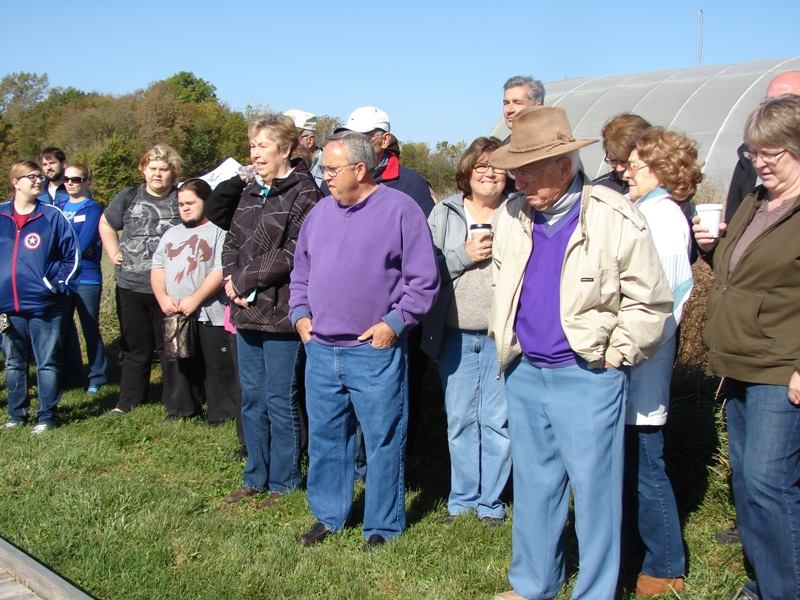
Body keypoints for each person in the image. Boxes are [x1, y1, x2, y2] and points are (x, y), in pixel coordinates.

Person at [488, 106, 673, 600]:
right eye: (515, 171)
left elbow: (650, 302)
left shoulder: (615, 216)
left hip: (588, 375)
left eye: (529, 170)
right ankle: (533, 584)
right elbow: (504, 283)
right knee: (534, 487)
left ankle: (594, 592)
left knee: (595, 494)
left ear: (564, 165)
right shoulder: (512, 215)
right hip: (526, 371)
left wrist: (615, 356)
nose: (518, 181)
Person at [289, 131, 439, 549]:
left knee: (383, 438)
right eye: (323, 168)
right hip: (321, 348)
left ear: (360, 169)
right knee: (326, 438)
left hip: (373, 351)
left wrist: (394, 323)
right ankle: (329, 515)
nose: (324, 175)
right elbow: (300, 272)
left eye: (332, 169)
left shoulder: (401, 210)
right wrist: (300, 316)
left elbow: (423, 280)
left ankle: (382, 524)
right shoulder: (319, 213)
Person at [694, 94, 800, 600]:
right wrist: (712, 249)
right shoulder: (756, 202)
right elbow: (735, 278)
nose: (759, 163)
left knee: (768, 483)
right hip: (739, 359)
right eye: (753, 152)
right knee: (749, 484)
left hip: (781, 366)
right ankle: (765, 581)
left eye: (771, 154)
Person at [221, 115, 321, 507]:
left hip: (281, 312)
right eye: (253, 145)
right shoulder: (251, 190)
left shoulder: (305, 191)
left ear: (286, 148)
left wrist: (244, 279)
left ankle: (284, 481)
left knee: (280, 397)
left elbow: (294, 251)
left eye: (263, 145)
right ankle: (255, 476)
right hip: (245, 309)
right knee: (252, 397)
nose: (255, 153)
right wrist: (230, 280)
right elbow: (232, 240)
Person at [620, 127, 701, 596]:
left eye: (636, 165)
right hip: (632, 357)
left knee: (646, 463)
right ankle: (634, 549)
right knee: (631, 461)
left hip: (643, 359)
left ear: (662, 169)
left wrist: (628, 348)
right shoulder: (646, 211)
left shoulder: (664, 218)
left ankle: (666, 563)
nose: (627, 172)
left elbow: (664, 300)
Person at [421, 137, 510, 524]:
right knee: (459, 419)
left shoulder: (519, 212)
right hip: (454, 335)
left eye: (497, 166)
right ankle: (462, 500)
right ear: (467, 171)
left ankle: (491, 503)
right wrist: (464, 255)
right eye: (481, 166)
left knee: (497, 422)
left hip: (501, 337)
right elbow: (424, 272)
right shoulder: (444, 213)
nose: (489, 173)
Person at [99, 144, 182, 415]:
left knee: (170, 347)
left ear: (173, 172)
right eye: (152, 168)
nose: (157, 174)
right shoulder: (128, 196)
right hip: (131, 285)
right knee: (135, 348)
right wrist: (113, 251)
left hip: (170, 288)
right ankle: (128, 402)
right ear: (143, 170)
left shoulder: (181, 197)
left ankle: (176, 402)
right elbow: (106, 224)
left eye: (163, 169)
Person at [0, 161, 80, 433]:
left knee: (47, 363)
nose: (38, 181)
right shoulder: (1, 215)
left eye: (39, 177)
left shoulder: (52, 216)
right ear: (15, 182)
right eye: (31, 176)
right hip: (7, 305)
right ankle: (16, 415)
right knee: (14, 363)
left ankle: (46, 416)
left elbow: (72, 255)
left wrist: (56, 285)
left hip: (45, 303)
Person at [151, 178, 238, 424]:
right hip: (176, 312)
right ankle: (181, 410)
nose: (185, 208)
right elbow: (157, 266)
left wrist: (196, 299)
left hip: (212, 313)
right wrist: (162, 298)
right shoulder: (171, 233)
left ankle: (222, 414)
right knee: (178, 365)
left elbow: (221, 269)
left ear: (206, 202)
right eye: (181, 204)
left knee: (217, 366)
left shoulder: (220, 231)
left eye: (191, 203)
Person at [725, 70, 800, 223]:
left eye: (784, 102)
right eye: (767, 103)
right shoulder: (748, 157)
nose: (771, 110)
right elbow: (733, 217)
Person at [332, 106, 434, 217]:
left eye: (362, 138)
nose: (353, 145)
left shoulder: (412, 184)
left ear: (385, 140)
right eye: (348, 138)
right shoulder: (333, 178)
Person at [59, 164, 107, 393]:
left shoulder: (93, 209)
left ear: (86, 181)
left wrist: (61, 249)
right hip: (62, 277)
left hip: (86, 277)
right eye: (66, 179)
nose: (70, 183)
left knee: (90, 328)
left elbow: (83, 242)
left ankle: (97, 377)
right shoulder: (58, 207)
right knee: (61, 328)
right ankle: (67, 374)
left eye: (76, 179)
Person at [284, 109, 323, 187]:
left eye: (292, 137)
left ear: (310, 141)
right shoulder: (281, 166)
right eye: (281, 136)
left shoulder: (329, 168)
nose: (285, 141)